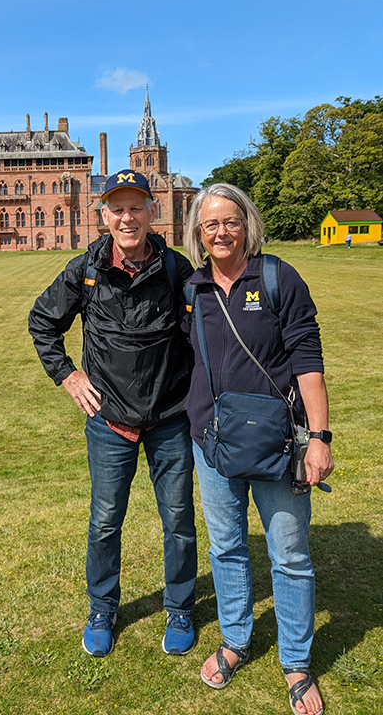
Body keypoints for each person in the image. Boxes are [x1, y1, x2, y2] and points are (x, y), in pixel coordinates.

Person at [29, 169, 197, 658]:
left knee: (179, 520)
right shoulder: (83, 270)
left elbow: (205, 333)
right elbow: (43, 321)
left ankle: (180, 606)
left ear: (151, 211)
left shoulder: (175, 269)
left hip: (170, 417)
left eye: (136, 207)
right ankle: (102, 607)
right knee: (105, 521)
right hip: (109, 421)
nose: (127, 217)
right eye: (117, 208)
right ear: (103, 216)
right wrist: (67, 374)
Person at [181, 183, 333, 715]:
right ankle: (236, 641)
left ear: (247, 224)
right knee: (225, 548)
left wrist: (318, 437)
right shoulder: (192, 288)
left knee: (289, 556)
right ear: (196, 234)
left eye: (230, 221)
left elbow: (307, 358)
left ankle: (295, 662)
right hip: (212, 441)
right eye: (209, 224)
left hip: (276, 441)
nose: (220, 232)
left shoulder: (276, 278)